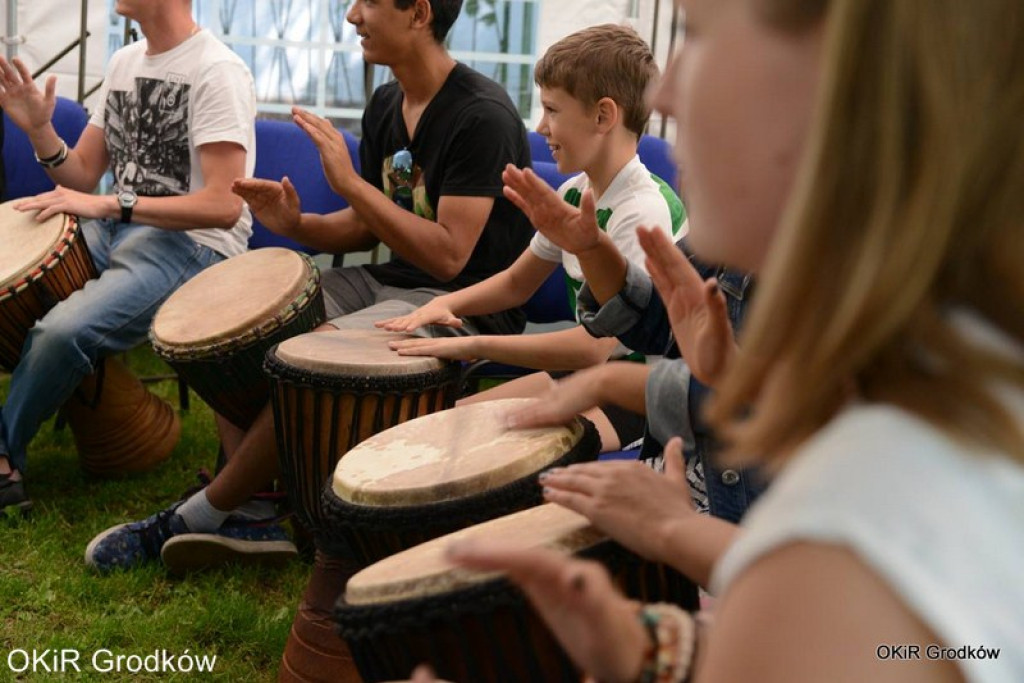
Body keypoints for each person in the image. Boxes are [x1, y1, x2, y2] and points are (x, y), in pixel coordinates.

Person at [453, 0, 1024, 681]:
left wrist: (686, 537)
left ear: (852, 80)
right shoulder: (957, 366)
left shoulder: (845, 545)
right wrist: (669, 649)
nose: (663, 94)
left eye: (698, 32)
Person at [85, 0, 535, 573]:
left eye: (368, 3)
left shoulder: (482, 116)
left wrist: (348, 181)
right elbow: (369, 220)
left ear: (419, 13)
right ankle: (255, 506)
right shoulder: (388, 102)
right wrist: (296, 225)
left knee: (313, 353)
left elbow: (449, 256)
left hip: (463, 307)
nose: (352, 16)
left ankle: (204, 513)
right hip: (388, 282)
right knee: (241, 326)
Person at [0, 0, 258, 517]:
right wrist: (38, 130)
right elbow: (80, 174)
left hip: (195, 245)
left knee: (60, 331)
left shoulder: (218, 71)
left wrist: (109, 204)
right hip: (119, 228)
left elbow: (224, 206)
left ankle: (4, 456)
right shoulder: (126, 61)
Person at [377, 23, 684, 453]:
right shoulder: (575, 192)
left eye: (553, 110)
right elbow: (517, 283)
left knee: (492, 454)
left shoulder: (643, 212)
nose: (540, 127)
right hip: (589, 377)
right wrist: (446, 303)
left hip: (637, 396)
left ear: (603, 116)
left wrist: (475, 343)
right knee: (448, 426)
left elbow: (595, 350)